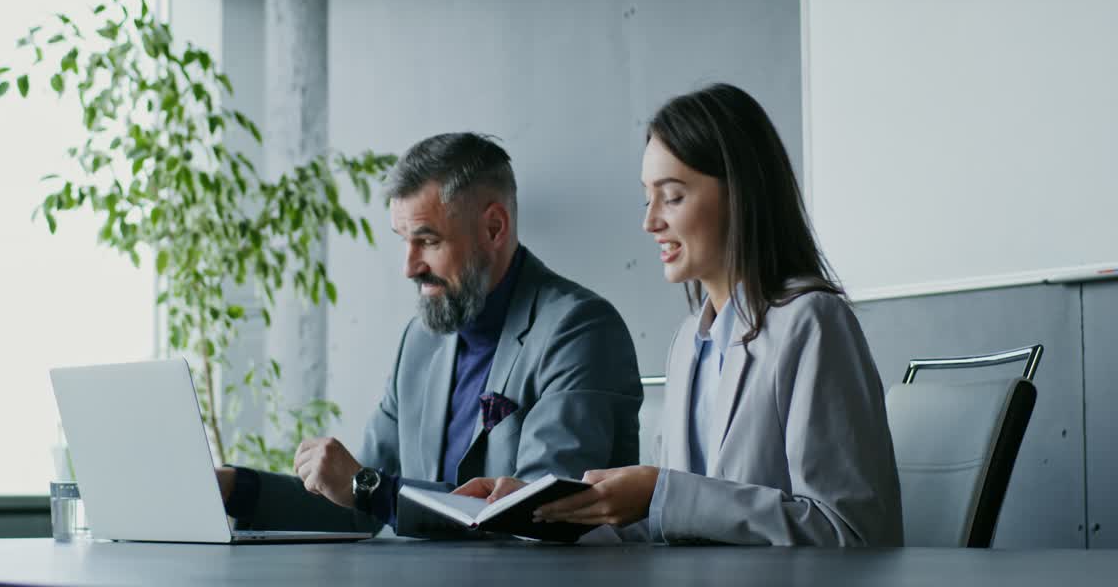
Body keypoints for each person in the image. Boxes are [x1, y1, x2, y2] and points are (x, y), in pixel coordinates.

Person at [457, 84, 903, 546]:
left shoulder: (811, 324)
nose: (650, 221)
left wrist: (660, 493)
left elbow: (850, 534)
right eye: (647, 198)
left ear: (741, 194)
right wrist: (543, 507)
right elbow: (670, 525)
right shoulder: (689, 343)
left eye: (671, 197)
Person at [215, 132, 643, 537]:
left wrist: (370, 488)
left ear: (494, 228)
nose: (409, 266)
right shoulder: (420, 342)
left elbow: (538, 515)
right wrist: (234, 489)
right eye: (404, 240)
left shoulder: (580, 330)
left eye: (428, 240)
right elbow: (357, 510)